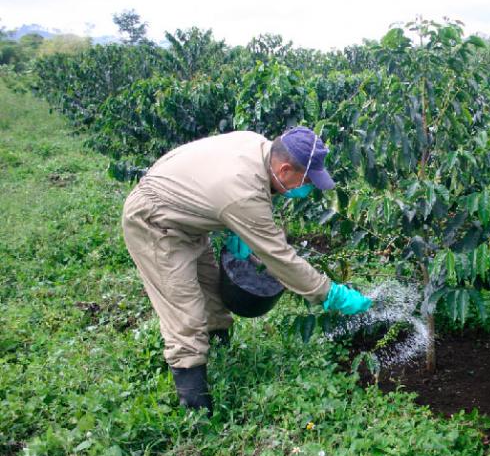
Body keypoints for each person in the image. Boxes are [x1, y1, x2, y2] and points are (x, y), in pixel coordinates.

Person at [121, 127, 372, 414]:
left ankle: (222, 355)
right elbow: (280, 258)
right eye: (305, 179)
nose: (308, 187)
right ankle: (196, 413)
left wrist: (236, 227)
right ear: (285, 167)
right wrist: (329, 293)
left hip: (185, 217)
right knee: (185, 313)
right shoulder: (242, 194)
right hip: (155, 221)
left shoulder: (257, 145)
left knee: (211, 298)